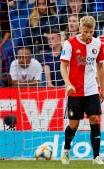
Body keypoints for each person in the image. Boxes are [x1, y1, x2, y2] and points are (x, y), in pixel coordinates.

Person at [60, 16, 104, 165]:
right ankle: (66, 150)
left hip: (91, 89)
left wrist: (102, 88)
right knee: (74, 125)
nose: (88, 35)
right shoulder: (69, 44)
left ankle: (96, 156)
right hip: (75, 91)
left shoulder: (98, 44)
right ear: (80, 28)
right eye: (85, 32)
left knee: (95, 119)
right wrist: (67, 84)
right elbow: (63, 66)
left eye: (91, 31)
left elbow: (100, 67)